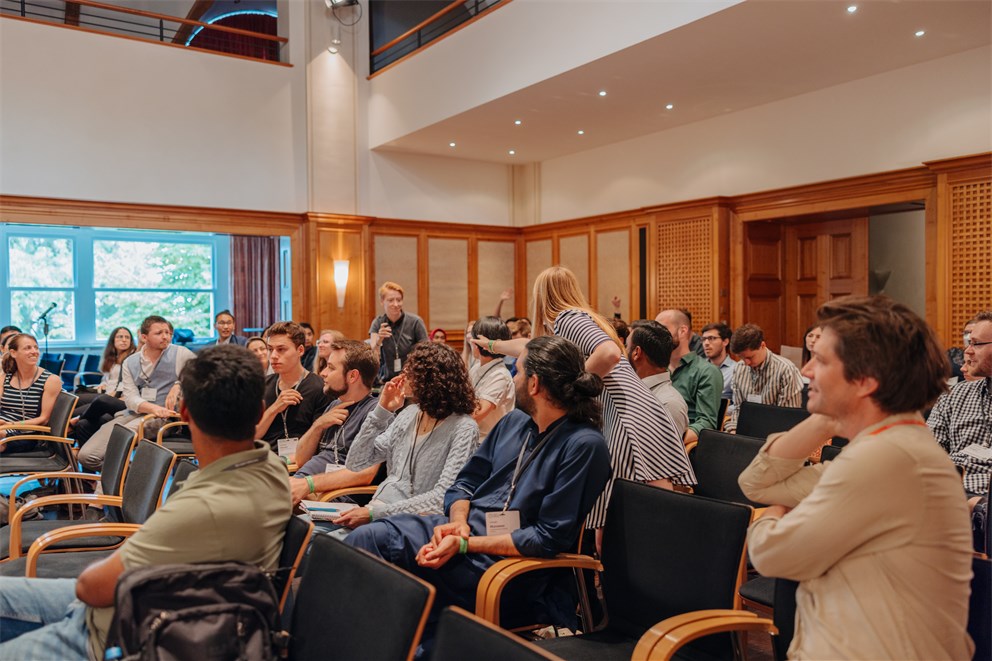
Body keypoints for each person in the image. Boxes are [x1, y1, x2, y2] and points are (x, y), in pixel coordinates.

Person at [0, 344, 292, 660]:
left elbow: (90, 588)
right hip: (142, 602)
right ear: (261, 411)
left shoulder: (202, 509)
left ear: (184, 414)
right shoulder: (272, 470)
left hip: (113, 632)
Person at [738, 295, 973, 660]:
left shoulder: (889, 459)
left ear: (864, 381)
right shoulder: (881, 448)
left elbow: (771, 554)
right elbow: (754, 483)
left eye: (822, 360)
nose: (806, 371)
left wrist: (777, 510)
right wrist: (830, 417)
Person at [347, 336, 611, 641]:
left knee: (399, 577)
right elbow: (464, 484)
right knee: (369, 539)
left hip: (510, 567)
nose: (514, 378)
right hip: (463, 536)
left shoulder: (583, 445)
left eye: (520, 372)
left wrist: (465, 544)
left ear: (535, 384)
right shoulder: (514, 422)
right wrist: (458, 525)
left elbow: (547, 537)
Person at [475, 266, 693, 545]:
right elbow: (532, 346)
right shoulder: (579, 318)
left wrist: (573, 386)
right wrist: (493, 345)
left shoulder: (569, 318)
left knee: (629, 515)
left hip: (624, 411)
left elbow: (610, 353)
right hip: (635, 407)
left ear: (542, 296)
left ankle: (626, 578)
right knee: (652, 506)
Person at [333, 342, 478, 531]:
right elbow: (356, 462)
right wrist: (381, 411)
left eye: (410, 372)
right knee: (315, 539)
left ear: (429, 380)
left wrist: (374, 515)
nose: (403, 376)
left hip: (413, 523)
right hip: (377, 513)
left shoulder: (464, 428)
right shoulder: (409, 414)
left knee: (332, 549)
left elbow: (442, 497)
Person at [77, 316, 196, 472]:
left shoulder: (181, 353)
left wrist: (178, 384)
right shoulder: (130, 362)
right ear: (144, 337)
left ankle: (135, 483)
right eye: (159, 333)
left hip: (164, 418)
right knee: (86, 456)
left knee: (118, 441)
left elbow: (201, 375)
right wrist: (152, 408)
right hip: (132, 413)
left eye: (168, 332)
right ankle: (133, 477)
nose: (166, 336)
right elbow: (131, 398)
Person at [290, 340, 380, 506]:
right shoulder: (334, 404)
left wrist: (308, 485)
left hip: (330, 500)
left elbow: (364, 474)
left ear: (352, 376)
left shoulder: (375, 414)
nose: (323, 373)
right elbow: (301, 459)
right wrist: (318, 426)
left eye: (331, 368)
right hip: (305, 492)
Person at [928, 310, 992, 501]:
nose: (968, 351)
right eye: (968, 343)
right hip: (947, 496)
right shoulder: (954, 396)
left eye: (977, 344)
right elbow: (928, 454)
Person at [254, 321, 329, 458]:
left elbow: (320, 442)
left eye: (281, 349)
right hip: (264, 459)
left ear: (300, 350)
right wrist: (274, 408)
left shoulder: (319, 387)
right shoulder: (263, 385)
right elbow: (252, 436)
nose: (273, 356)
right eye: (270, 349)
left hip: (300, 462)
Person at [657, 309, 724, 444]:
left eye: (663, 329)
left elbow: (706, 423)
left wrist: (668, 441)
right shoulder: (657, 369)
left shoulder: (706, 372)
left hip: (680, 446)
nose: (656, 336)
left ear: (683, 331)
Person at [724, 323, 803, 433]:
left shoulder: (786, 370)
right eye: (741, 357)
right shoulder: (739, 368)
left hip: (775, 436)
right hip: (745, 434)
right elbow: (738, 410)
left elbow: (788, 419)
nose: (746, 363)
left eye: (750, 357)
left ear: (763, 345)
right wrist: (733, 430)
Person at [69, 327, 136, 445]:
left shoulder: (132, 359)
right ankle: (68, 444)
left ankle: (73, 424)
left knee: (81, 412)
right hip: (108, 393)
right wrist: (103, 384)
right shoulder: (112, 358)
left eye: (127, 337)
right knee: (74, 398)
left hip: (120, 398)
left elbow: (131, 384)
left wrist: (117, 394)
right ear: (113, 340)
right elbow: (108, 378)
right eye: (120, 337)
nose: (124, 340)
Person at [0, 334, 62, 453]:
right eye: (27, 348)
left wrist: (12, 424)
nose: (34, 351)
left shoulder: (50, 380)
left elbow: (44, 419)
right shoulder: (5, 378)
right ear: (13, 353)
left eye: (36, 347)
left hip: (24, 432)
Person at [627, 321, 689, 438]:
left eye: (626, 347)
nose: (623, 353)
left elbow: (661, 454)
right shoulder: (632, 390)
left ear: (636, 352)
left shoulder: (669, 404)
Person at [466, 316, 515, 442]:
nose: (471, 341)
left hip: (488, 442)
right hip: (472, 436)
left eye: (474, 337)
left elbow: (476, 414)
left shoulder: (500, 375)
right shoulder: (476, 367)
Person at [368, 281, 428, 383]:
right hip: (386, 380)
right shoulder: (377, 323)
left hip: (411, 379)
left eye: (399, 300)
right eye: (390, 300)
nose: (396, 304)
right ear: (382, 302)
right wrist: (379, 340)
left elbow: (426, 352)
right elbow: (371, 356)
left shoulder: (415, 322)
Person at [700, 322, 736, 405]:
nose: (706, 343)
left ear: (725, 342)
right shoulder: (698, 368)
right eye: (704, 339)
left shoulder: (735, 370)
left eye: (711, 338)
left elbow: (737, 405)